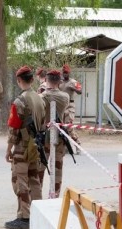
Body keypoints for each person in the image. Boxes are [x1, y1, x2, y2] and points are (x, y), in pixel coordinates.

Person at [4, 66, 45, 229]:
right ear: (32, 80)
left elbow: (14, 129)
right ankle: (38, 213)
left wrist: (9, 149)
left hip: (22, 146)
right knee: (34, 179)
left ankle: (24, 216)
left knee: (20, 180)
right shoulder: (40, 99)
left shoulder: (19, 101)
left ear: (19, 81)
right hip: (36, 145)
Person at [38, 69, 69, 198]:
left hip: (43, 135)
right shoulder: (65, 97)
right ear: (59, 81)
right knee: (57, 168)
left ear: (45, 80)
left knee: (39, 167)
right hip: (59, 135)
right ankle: (55, 196)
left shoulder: (41, 97)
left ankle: (36, 195)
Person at [59, 64, 82, 154]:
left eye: (66, 73)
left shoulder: (73, 82)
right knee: (61, 127)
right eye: (64, 73)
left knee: (68, 126)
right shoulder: (59, 82)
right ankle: (65, 146)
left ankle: (77, 144)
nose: (65, 75)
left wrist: (72, 88)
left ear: (69, 73)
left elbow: (80, 91)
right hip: (61, 106)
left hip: (70, 106)